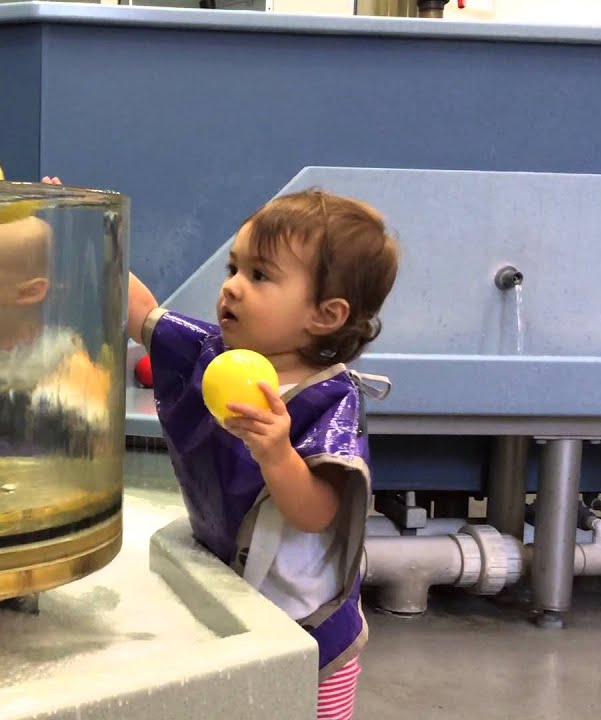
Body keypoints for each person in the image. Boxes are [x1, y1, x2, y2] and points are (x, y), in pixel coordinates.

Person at [129, 188, 398, 720]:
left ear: (325, 314)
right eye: (233, 268)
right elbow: (140, 313)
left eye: (259, 275)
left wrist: (278, 455)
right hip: (238, 606)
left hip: (309, 633)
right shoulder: (212, 352)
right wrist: (91, 236)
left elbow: (318, 513)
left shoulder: (329, 400)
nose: (231, 286)